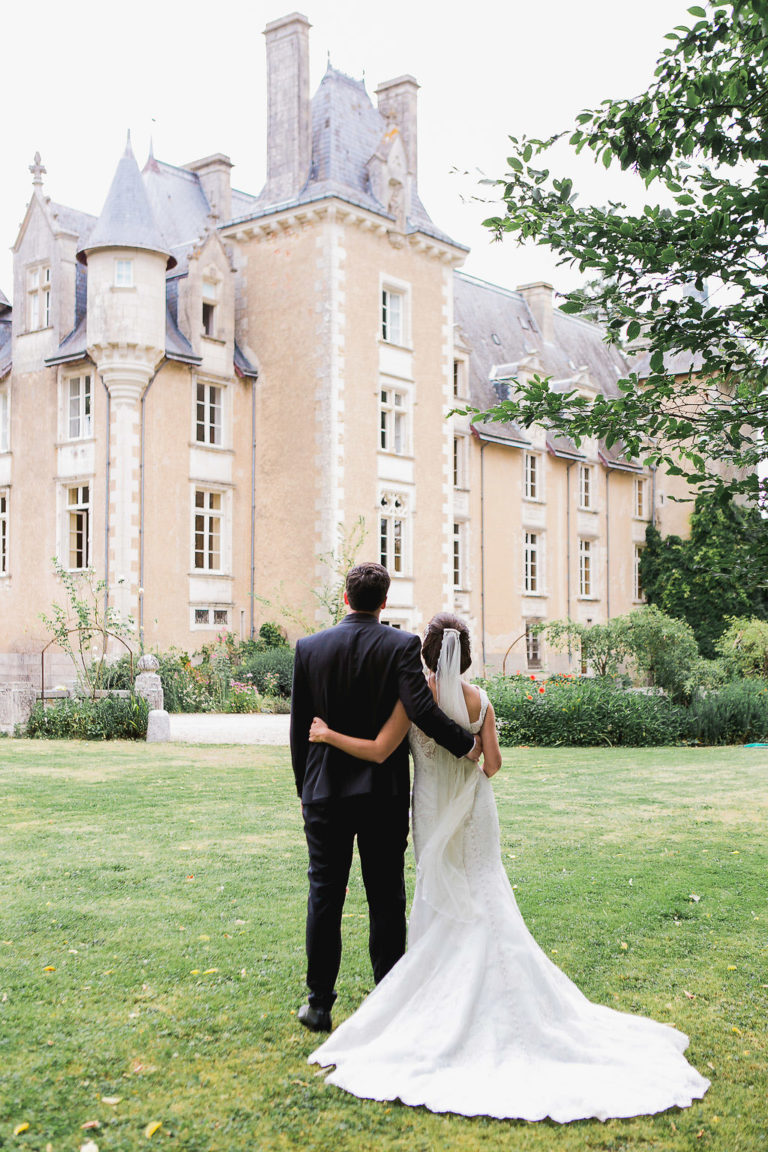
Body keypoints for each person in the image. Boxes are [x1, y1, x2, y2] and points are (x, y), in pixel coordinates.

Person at [305, 614, 710, 1123]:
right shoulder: (479, 701)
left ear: (425, 654)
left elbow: (383, 749)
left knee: (439, 888)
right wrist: (472, 749)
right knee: (485, 889)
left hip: (430, 807)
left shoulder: (413, 701)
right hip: (475, 810)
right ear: (467, 653)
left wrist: (327, 735)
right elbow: (491, 766)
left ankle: (432, 993)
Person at [289, 564, 480, 1035]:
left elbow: (298, 729)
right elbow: (421, 709)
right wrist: (464, 743)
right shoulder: (400, 646)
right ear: (384, 601)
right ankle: (391, 999)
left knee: (325, 894)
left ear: (346, 598)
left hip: (325, 794)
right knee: (385, 896)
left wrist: (303, 789)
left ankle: (318, 1004)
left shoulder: (310, 648)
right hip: (382, 795)